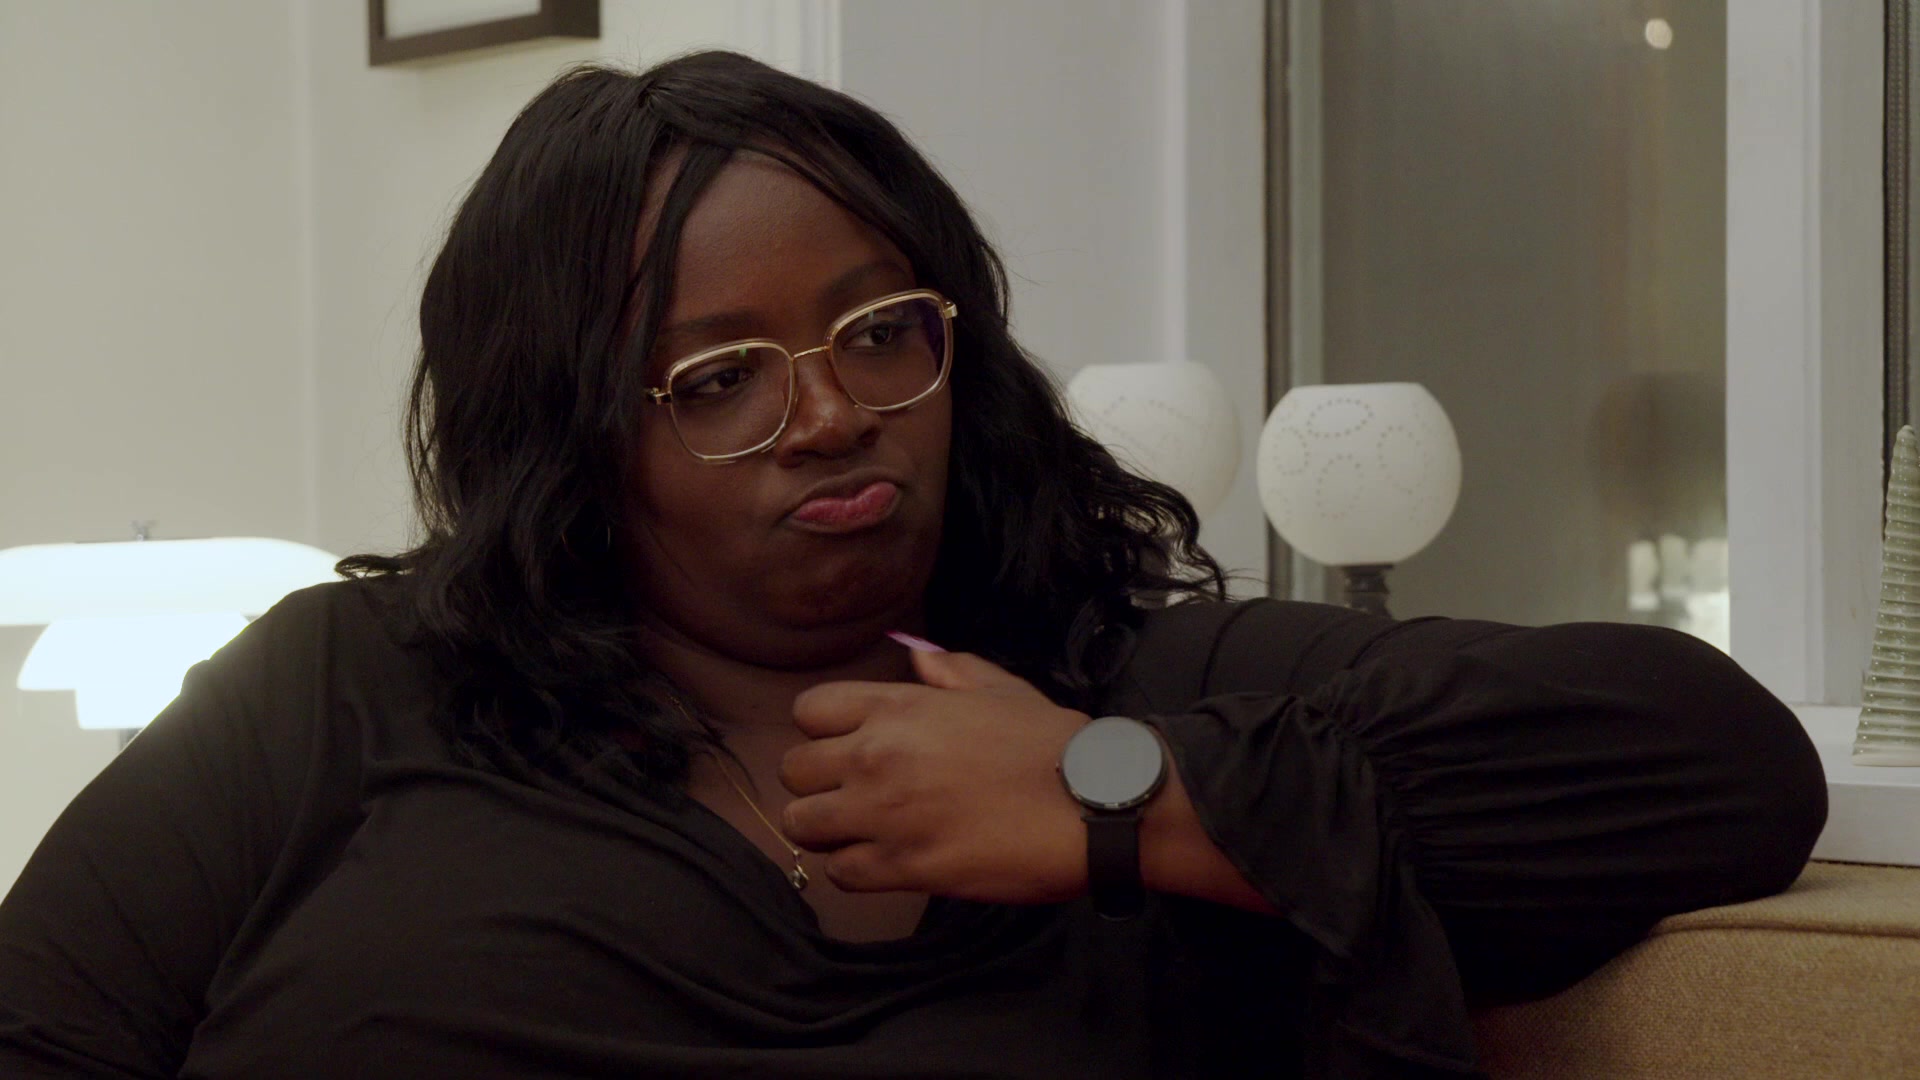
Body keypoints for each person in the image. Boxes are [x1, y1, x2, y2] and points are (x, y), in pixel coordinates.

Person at [0, 51, 1824, 1079]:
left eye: (882, 334)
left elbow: (1718, 767)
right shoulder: (340, 693)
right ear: (567, 437)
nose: (831, 415)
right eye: (720, 379)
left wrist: (1110, 799)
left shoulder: (1115, 680)